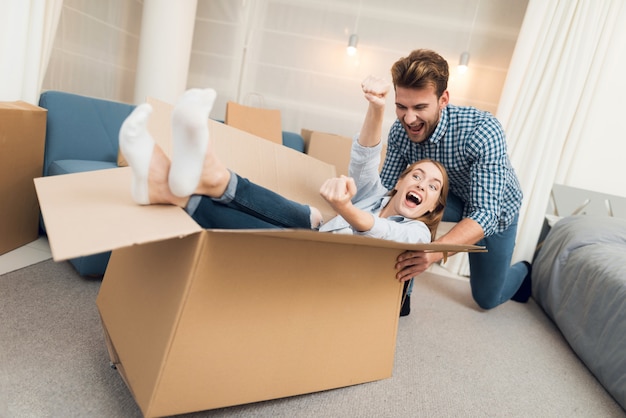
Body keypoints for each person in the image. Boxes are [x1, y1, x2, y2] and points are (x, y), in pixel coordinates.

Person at [119, 86, 449, 261]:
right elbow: (366, 156)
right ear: (401, 182)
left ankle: (183, 184)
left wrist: (344, 208)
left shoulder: (418, 234)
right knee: (307, 216)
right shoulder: (374, 195)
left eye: (433, 187)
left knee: (294, 235)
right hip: (317, 238)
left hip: (321, 269)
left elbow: (380, 234)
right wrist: (377, 108)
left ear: (432, 207)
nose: (422, 185)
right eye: (417, 176)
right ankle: (198, 180)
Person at [372, 48, 530, 311]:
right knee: (409, 198)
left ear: (443, 98)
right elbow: (387, 193)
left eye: (420, 107)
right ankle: (402, 294)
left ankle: (524, 271)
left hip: (495, 210)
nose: (409, 119)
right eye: (402, 107)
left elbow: (485, 213)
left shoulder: (481, 130)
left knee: (487, 299)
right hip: (451, 197)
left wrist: (432, 252)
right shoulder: (401, 131)